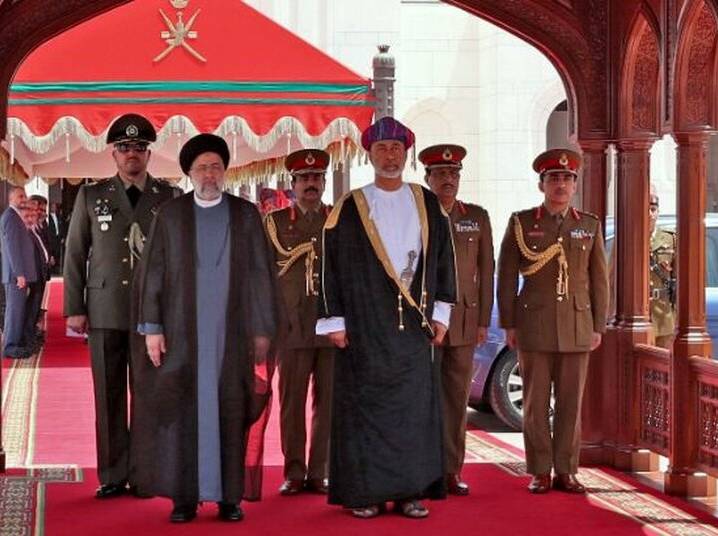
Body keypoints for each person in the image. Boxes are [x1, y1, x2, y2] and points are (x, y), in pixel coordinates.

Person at [317, 117, 456, 519]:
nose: (390, 156)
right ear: (370, 154)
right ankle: (367, 493)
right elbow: (329, 267)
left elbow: (444, 261)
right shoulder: (350, 206)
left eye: (397, 148)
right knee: (367, 410)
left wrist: (442, 314)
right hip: (364, 328)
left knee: (413, 411)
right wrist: (334, 320)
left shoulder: (427, 202)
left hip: (414, 328)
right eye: (382, 149)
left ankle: (411, 491)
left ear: (406, 154)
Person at [134, 133, 277, 523]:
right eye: (202, 168)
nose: (209, 175)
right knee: (183, 412)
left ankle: (229, 497)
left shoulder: (245, 215)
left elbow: (261, 275)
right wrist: (152, 329)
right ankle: (184, 497)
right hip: (182, 335)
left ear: (225, 171)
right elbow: (154, 274)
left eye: (215, 167)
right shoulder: (171, 215)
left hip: (233, 334)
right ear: (190, 174)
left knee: (231, 408)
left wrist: (262, 330)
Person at [63, 113, 181, 499]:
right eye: (125, 147)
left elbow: (178, 258)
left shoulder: (168, 197)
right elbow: (75, 253)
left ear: (149, 154)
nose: (133, 153)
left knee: (148, 395)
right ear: (113, 154)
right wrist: (75, 307)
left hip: (152, 315)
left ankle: (145, 473)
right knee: (108, 395)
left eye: (140, 148)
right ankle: (113, 474)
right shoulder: (91, 195)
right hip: (105, 308)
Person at [497, 148, 608, 494]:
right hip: (535, 324)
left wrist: (598, 325)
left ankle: (566, 470)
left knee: (570, 404)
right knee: (535, 402)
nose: (560, 184)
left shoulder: (588, 224)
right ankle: (540, 470)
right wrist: (509, 323)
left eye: (566, 179)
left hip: (576, 324)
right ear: (541, 184)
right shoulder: (522, 223)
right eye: (553, 178)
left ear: (575, 185)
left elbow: (599, 279)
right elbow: (506, 275)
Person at [421, 143, 494, 496]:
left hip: (464, 322)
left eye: (453, 173)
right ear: (428, 178)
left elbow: (487, 270)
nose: (448, 179)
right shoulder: (417, 214)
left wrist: (482, 321)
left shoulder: (475, 217)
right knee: (424, 397)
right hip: (425, 322)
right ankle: (424, 470)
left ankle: (452, 469)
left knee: (456, 399)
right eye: (440, 174)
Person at [264, 149, 334, 496]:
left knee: (329, 402)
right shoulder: (275, 223)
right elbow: (263, 276)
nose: (311, 184)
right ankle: (294, 471)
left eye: (317, 178)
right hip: (290, 326)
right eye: (304, 178)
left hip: (331, 326)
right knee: (292, 402)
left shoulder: (338, 219)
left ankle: (319, 471)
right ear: (292, 184)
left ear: (324, 182)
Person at [1, 187, 38, 359]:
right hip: (15, 275)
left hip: (18, 274)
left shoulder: (15, 216)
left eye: (24, 195)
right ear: (11, 199)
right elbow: (12, 248)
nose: (24, 198)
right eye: (20, 196)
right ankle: (10, 346)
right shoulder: (10, 217)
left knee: (18, 310)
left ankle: (15, 343)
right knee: (14, 311)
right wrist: (19, 274)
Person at [648, 192, 676, 349]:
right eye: (647, 209)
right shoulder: (628, 237)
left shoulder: (670, 239)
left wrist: (675, 316)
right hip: (637, 318)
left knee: (664, 360)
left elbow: (678, 280)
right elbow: (611, 278)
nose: (650, 214)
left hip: (664, 316)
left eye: (653, 209)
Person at [24, 197, 50, 353]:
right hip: (32, 275)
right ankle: (28, 338)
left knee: (35, 307)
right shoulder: (26, 230)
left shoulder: (36, 228)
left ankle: (32, 335)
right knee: (30, 308)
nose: (37, 213)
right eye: (33, 210)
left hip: (39, 273)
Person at [48, 202, 66, 274]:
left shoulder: (59, 217)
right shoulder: (48, 217)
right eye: (53, 207)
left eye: (55, 207)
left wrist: (62, 236)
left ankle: (57, 269)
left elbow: (62, 227)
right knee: (52, 253)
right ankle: (51, 270)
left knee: (58, 253)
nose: (54, 208)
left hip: (58, 237)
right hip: (52, 237)